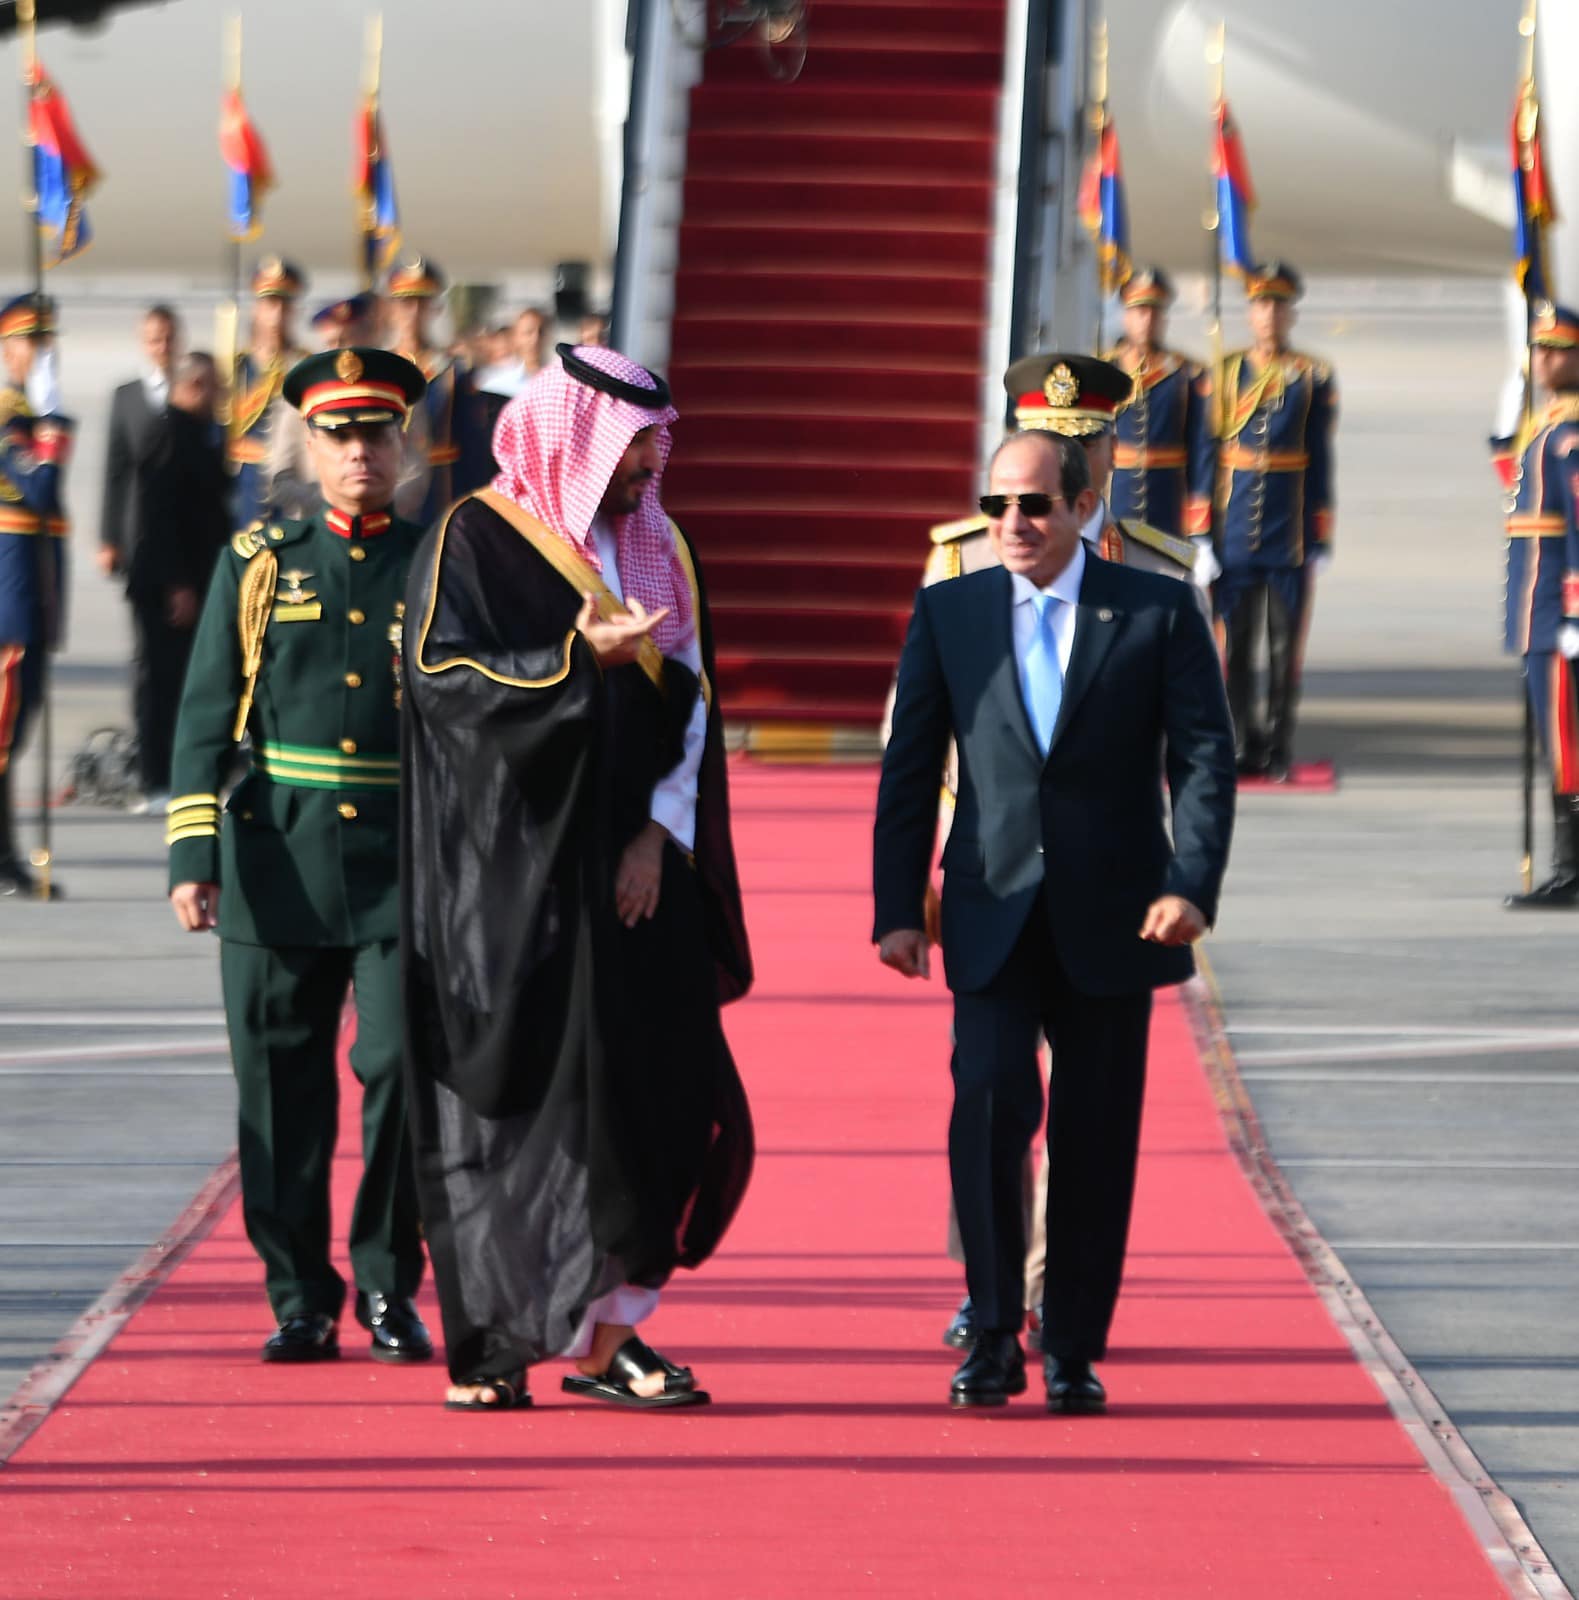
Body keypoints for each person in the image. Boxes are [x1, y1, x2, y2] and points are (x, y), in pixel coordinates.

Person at [401, 343, 753, 1412]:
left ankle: (612, 1337)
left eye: (658, 438)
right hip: (512, 881)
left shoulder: (661, 544)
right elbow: (440, 681)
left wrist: (655, 834)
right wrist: (568, 666)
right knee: (519, 1107)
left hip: (638, 876)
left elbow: (690, 708)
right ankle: (497, 1342)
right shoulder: (478, 537)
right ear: (581, 437)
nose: (656, 457)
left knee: (669, 1097)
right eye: (639, 440)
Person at [874, 427, 1235, 1413]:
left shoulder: (1155, 609)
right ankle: (992, 1332)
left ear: (1081, 506)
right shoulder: (950, 610)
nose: (1013, 523)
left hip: (1120, 915)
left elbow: (1203, 760)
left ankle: (1072, 1345)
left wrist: (1191, 883)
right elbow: (909, 765)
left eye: (1032, 504)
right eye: (997, 505)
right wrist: (894, 905)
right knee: (987, 1111)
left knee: (1094, 1136)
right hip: (988, 909)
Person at [165, 347, 433, 1365]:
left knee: (403, 1066)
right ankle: (298, 1296)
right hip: (277, 856)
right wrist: (193, 852)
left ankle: (386, 1284)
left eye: (377, 432)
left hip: (406, 858)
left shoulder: (436, 559)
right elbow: (201, 718)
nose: (360, 450)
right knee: (280, 1086)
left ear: (404, 444)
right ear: (308, 447)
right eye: (339, 433)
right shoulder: (261, 559)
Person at [1215, 261, 1338, 781]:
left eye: (1278, 304)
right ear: (1250, 312)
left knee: (1285, 645)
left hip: (1288, 532)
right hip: (1237, 529)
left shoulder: (1312, 376)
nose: (1269, 314)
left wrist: (1321, 530)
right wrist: (1203, 528)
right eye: (1261, 304)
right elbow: (1209, 453)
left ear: (1290, 313)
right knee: (1237, 643)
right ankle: (1242, 741)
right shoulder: (1225, 374)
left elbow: (1320, 456)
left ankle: (1279, 744)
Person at [1499, 302, 1579, 908]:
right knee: (1560, 746)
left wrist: (1575, 613)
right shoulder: (1547, 426)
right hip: (1536, 615)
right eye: (1539, 349)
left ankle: (1571, 867)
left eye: (1557, 349)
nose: (1544, 359)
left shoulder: (1572, 434)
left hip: (1558, 616)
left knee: (1568, 747)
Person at [125, 352, 229, 808]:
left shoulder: (200, 434)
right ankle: (155, 780)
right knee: (162, 682)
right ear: (189, 387)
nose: (216, 395)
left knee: (189, 681)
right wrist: (177, 584)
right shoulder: (170, 432)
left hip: (195, 578)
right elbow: (158, 515)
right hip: (170, 585)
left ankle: (180, 775)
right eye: (207, 385)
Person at [0, 293, 73, 898]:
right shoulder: (8, 417)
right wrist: (50, 423)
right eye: (30, 342)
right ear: (8, 350)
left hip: (34, 607)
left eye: (47, 341)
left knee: (11, 740)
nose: (41, 353)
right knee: (3, 738)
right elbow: (40, 487)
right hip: (10, 611)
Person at [264, 294, 431, 522]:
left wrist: (375, 505)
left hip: (386, 526)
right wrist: (336, 505)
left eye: (348, 340)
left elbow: (416, 471)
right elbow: (280, 476)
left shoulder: (397, 393)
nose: (342, 352)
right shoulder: (302, 399)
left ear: (369, 336)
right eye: (332, 342)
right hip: (316, 528)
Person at [1105, 267, 1217, 549]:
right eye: (1140, 311)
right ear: (1126, 316)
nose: (1147, 320)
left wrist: (1199, 517)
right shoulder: (1105, 371)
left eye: (1154, 312)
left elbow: (1202, 446)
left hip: (1167, 500)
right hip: (1117, 496)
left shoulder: (1186, 374)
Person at [383, 256, 491, 524]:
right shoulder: (380, 367)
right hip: (390, 481)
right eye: (406, 303)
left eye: (422, 303)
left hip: (440, 487)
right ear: (392, 309)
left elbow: (471, 443)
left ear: (435, 308)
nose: (414, 312)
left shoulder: (451, 369)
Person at [228, 258, 309, 533]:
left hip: (290, 483)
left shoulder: (305, 367)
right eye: (269, 304)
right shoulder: (236, 368)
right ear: (256, 309)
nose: (276, 315)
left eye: (284, 305)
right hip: (244, 485)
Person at [98, 303, 178, 580]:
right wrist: (109, 538)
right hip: (138, 528)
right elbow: (115, 469)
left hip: (183, 529)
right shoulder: (126, 396)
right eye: (156, 340)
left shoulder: (192, 390)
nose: (163, 347)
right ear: (144, 343)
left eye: (169, 338)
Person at [474, 307, 547, 399]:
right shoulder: (496, 386)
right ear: (515, 337)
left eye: (541, 332)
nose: (535, 339)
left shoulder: (557, 379)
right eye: (528, 333)